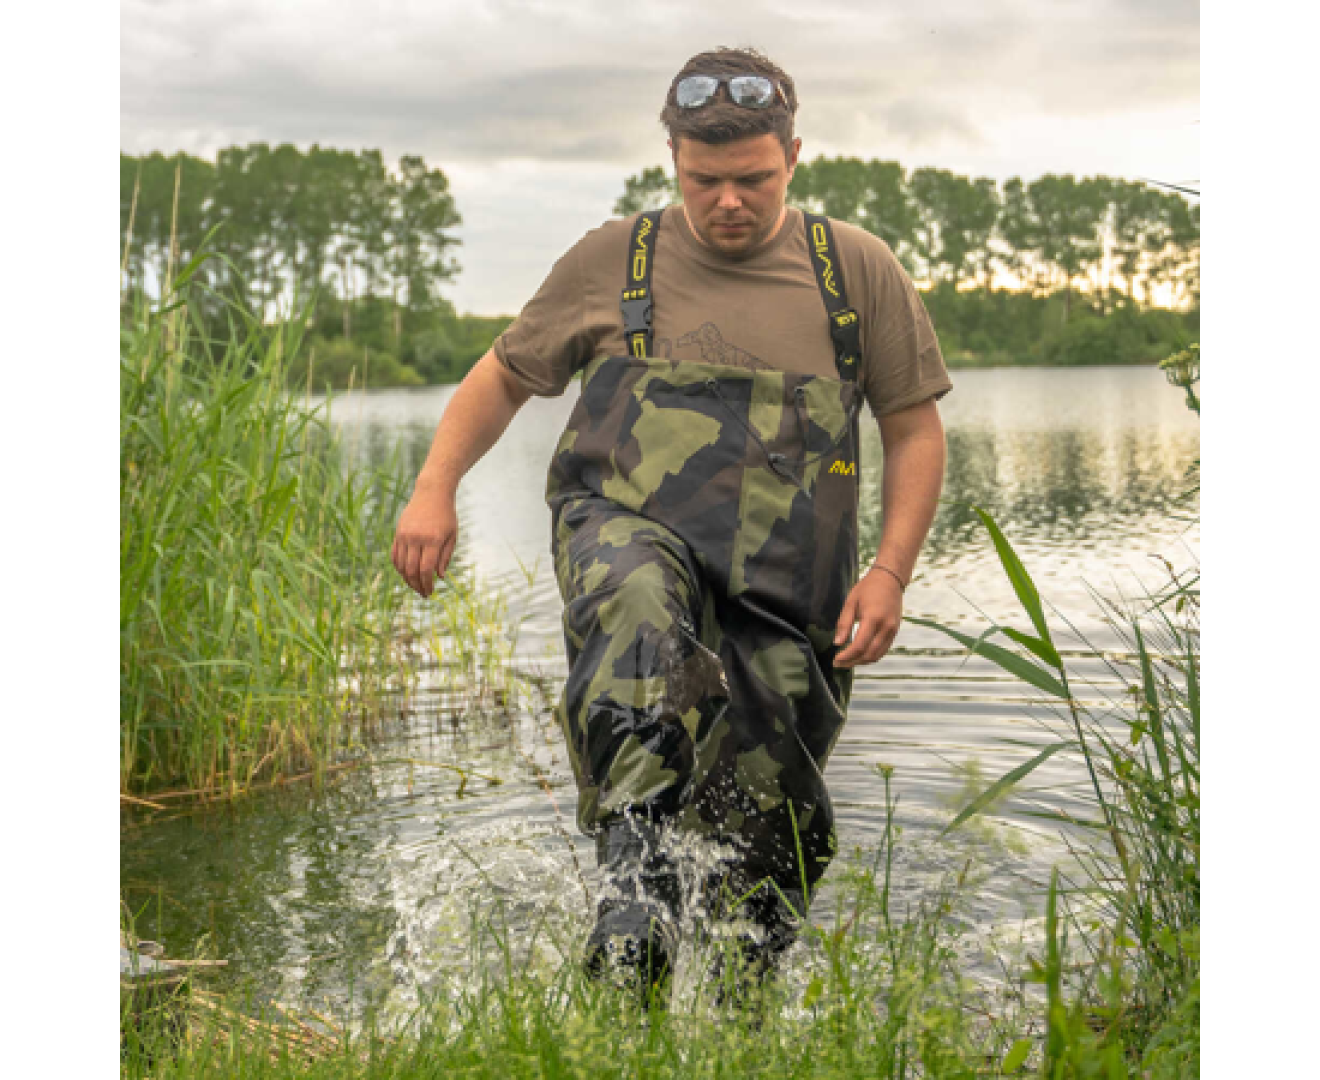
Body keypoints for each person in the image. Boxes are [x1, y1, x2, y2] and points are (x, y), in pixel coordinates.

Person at [391, 47, 950, 1002]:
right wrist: (435, 486)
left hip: (786, 586)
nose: (728, 201)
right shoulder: (614, 259)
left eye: (752, 180)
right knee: (638, 601)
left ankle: (729, 1013)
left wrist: (891, 572)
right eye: (704, 180)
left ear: (793, 156)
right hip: (626, 527)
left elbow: (913, 429)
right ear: (673, 160)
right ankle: (633, 879)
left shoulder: (852, 268)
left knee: (772, 825)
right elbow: (503, 377)